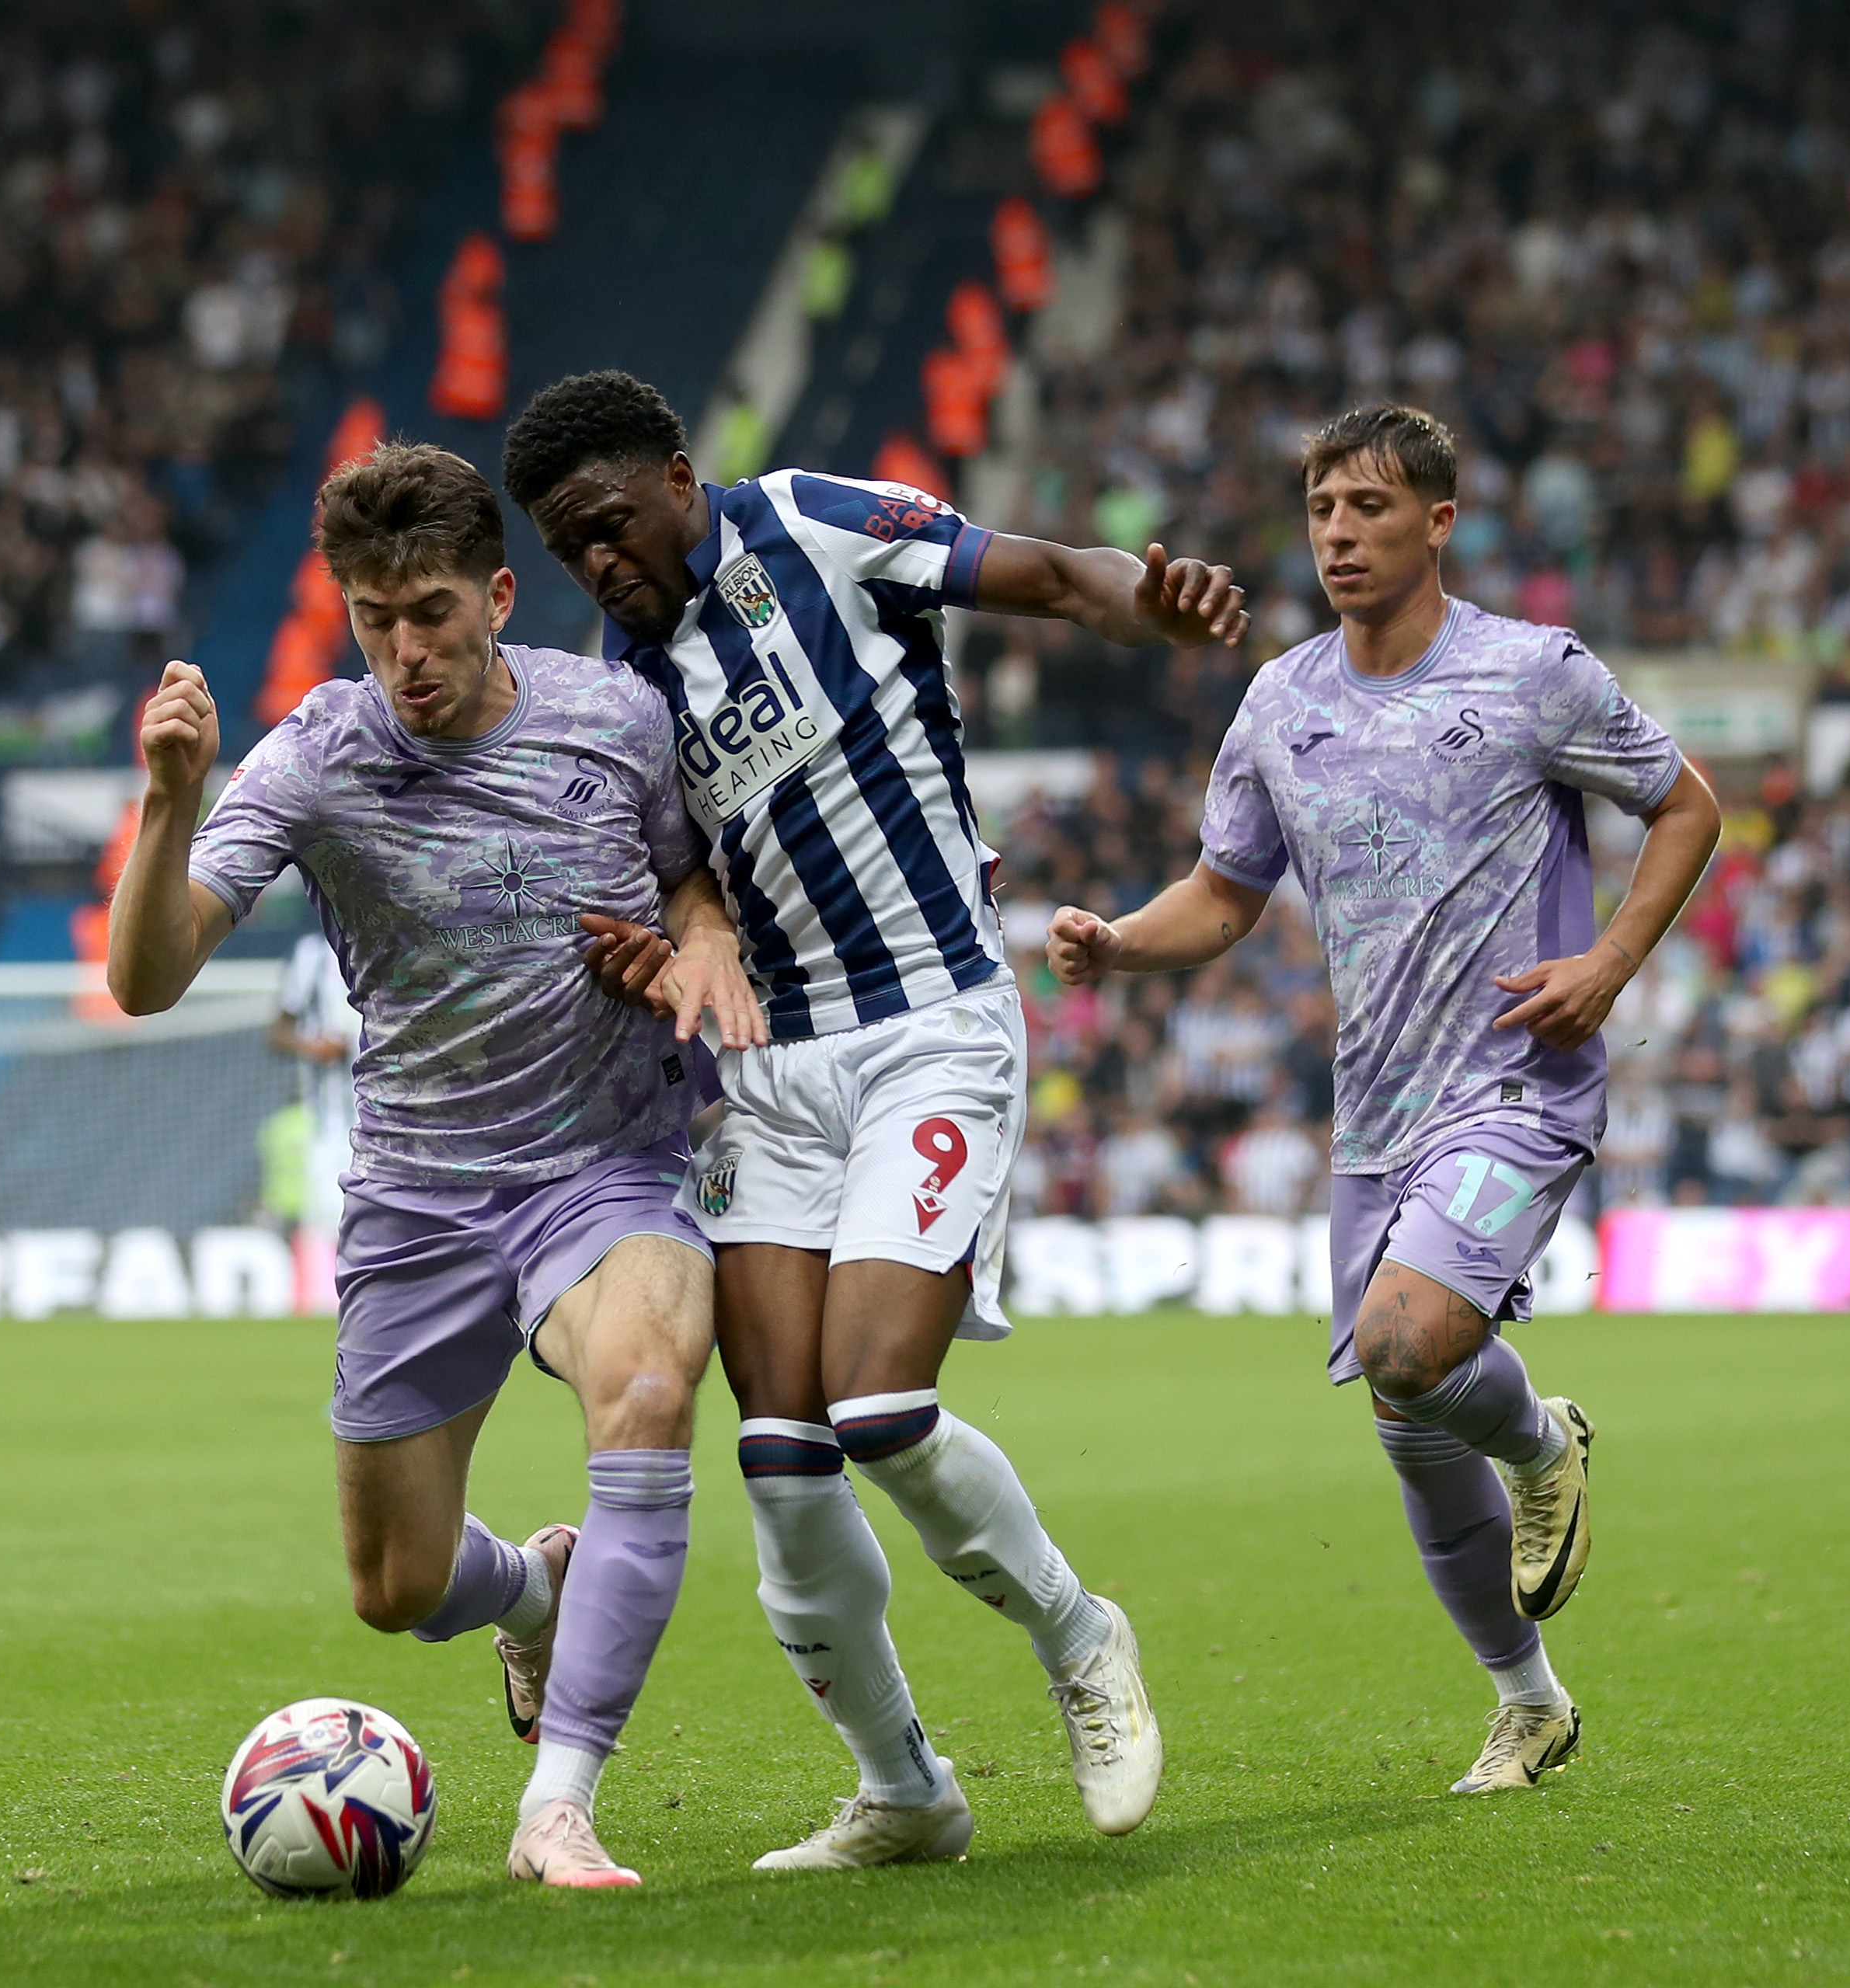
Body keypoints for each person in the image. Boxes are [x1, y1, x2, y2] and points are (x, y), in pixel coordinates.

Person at [503, 369, 1246, 1865]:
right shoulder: (625, 682)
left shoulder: (816, 527)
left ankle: (1079, 1634)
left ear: (673, 474)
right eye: (565, 545)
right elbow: (676, 869)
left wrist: (1142, 604)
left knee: (881, 1406)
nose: (597, 562)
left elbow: (1039, 570)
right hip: (773, 1078)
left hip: (932, 1025)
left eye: (606, 524)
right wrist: (674, 943)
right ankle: (903, 1787)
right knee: (780, 1458)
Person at [107, 441, 764, 1888]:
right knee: (397, 1588)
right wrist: (169, 800)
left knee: (651, 1384)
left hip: (609, 1164)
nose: (407, 649)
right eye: (375, 617)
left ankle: (561, 1803)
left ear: (498, 595)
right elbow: (148, 978)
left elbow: (687, 877)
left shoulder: (613, 720)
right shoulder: (317, 754)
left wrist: (701, 938)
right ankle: (532, 1590)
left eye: (433, 612)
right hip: (419, 1194)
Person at [1044, 403, 1723, 1793]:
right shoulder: (1280, 700)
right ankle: (1528, 1702)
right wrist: (1120, 939)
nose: (1339, 534)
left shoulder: (1533, 674)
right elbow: (1225, 895)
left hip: (1515, 1085)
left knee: (1408, 1345)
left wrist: (1607, 962)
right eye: (1321, 509)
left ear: (1439, 522)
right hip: (1375, 1117)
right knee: (1408, 1426)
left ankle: (1544, 1440)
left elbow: (1688, 805)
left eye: (1367, 507)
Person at [268, 930, 361, 1241]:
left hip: (389, 1120)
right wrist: (312, 1046)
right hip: (328, 1124)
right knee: (332, 1229)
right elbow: (278, 1031)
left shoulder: (393, 942)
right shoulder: (312, 955)